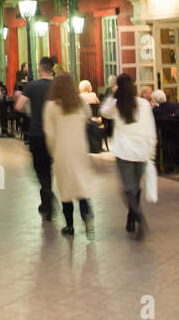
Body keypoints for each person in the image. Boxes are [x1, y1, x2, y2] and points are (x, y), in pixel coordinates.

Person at [100, 75, 157, 239]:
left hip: (124, 152)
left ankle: (137, 215)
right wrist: (151, 150)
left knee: (128, 188)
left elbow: (103, 111)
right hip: (142, 151)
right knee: (135, 186)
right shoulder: (145, 104)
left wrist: (112, 94)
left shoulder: (118, 105)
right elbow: (151, 128)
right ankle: (132, 219)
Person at [43, 71, 95, 239]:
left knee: (65, 191)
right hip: (80, 150)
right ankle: (87, 218)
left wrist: (53, 151)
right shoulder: (80, 102)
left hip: (62, 152)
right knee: (81, 187)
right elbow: (89, 119)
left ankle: (70, 226)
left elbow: (50, 134)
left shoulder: (51, 106)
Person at [14, 56, 56, 220]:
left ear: (40, 68)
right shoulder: (56, 86)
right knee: (48, 166)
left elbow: (19, 106)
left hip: (37, 132)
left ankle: (47, 194)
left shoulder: (32, 86)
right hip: (53, 133)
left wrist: (30, 111)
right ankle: (46, 198)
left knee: (40, 168)